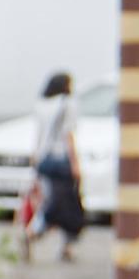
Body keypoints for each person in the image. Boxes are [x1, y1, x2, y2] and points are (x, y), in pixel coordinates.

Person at [25, 69, 88, 260]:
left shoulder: (41, 105)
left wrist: (35, 159)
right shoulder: (68, 104)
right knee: (68, 203)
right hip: (62, 160)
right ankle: (62, 244)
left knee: (50, 200)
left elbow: (38, 136)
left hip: (44, 160)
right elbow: (68, 135)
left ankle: (34, 232)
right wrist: (75, 163)